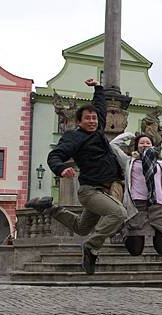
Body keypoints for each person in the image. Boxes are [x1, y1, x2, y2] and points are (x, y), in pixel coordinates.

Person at [25, 79, 127, 274]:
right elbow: (55, 155)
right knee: (119, 213)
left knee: (81, 227)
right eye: (87, 118)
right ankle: (90, 247)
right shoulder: (74, 137)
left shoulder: (98, 130)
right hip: (91, 191)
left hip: (103, 190)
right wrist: (61, 168)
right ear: (79, 121)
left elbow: (100, 107)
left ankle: (49, 208)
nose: (92, 121)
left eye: (94, 118)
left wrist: (98, 88)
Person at [110, 131, 162, 255]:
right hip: (137, 205)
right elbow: (113, 145)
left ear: (152, 146)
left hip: (158, 205)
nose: (145, 144)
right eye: (141, 142)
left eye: (148, 142)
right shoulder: (129, 162)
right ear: (136, 146)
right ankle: (125, 233)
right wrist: (129, 135)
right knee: (135, 250)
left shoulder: (161, 165)